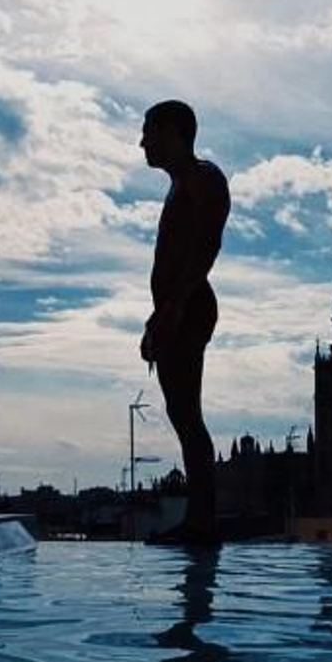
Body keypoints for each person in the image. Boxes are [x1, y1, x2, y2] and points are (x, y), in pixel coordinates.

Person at [139, 100, 229, 547]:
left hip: (189, 308)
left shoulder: (202, 177)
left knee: (188, 416)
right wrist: (157, 318)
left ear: (173, 132)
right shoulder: (179, 186)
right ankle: (199, 519)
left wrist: (173, 307)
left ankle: (201, 522)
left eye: (148, 131)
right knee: (181, 414)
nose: (142, 142)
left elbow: (207, 246)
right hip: (174, 309)